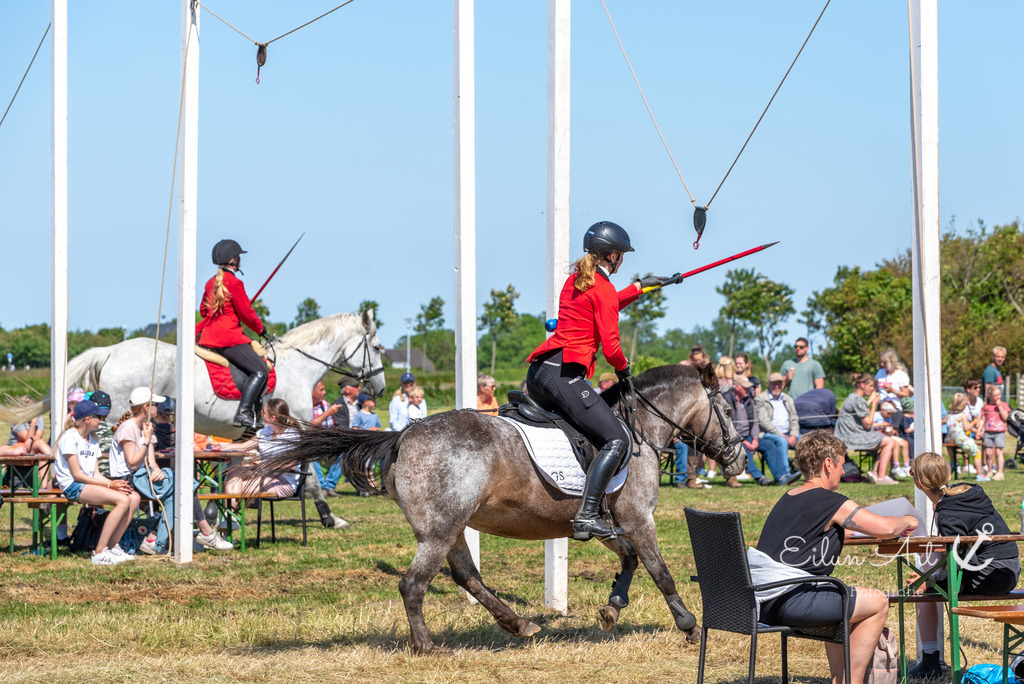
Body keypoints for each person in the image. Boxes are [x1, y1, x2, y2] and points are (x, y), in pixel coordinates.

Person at [525, 220, 677, 541]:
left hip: (540, 370)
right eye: (621, 255)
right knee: (617, 439)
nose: (622, 259)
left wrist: (640, 287)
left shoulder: (576, 281)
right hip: (563, 374)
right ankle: (587, 515)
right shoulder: (603, 289)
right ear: (612, 257)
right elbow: (611, 346)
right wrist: (624, 370)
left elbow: (606, 303)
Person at [754, 430, 918, 684]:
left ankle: (839, 679)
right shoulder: (830, 501)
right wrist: (906, 520)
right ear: (828, 464)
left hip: (766, 601)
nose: (843, 471)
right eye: (842, 464)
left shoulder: (789, 497)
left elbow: (815, 534)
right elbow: (884, 528)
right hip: (794, 600)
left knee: (848, 599)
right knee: (877, 601)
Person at [907, 451, 1021, 678]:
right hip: (1009, 569)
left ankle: (930, 661)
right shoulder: (969, 492)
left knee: (924, 589)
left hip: (991, 575)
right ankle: (930, 660)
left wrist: (928, 583)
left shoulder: (948, 514)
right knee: (928, 575)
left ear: (917, 481)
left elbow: (960, 563)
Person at [110, 388, 234, 554]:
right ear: (146, 407)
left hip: (142, 476)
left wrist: (156, 470)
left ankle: (153, 538)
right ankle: (204, 532)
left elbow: (152, 462)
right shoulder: (128, 428)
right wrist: (146, 441)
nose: (158, 408)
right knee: (182, 484)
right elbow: (132, 463)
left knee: (182, 485)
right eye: (155, 404)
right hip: (127, 479)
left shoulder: (147, 427)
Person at [53, 400, 141, 565]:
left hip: (87, 485)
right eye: (98, 417)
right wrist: (110, 485)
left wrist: (114, 484)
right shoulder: (70, 437)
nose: (101, 420)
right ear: (87, 419)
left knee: (134, 497)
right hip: (72, 487)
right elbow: (77, 475)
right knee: (122, 500)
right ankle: (99, 552)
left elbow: (95, 474)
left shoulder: (92, 439)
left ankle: (113, 546)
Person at [198, 239, 268, 428]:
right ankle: (244, 412)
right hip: (228, 338)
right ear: (234, 259)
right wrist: (261, 330)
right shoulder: (235, 282)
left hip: (208, 337)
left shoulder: (210, 282)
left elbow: (204, 311)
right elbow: (247, 313)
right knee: (261, 371)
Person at [219, 399, 303, 505]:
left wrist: (262, 465)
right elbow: (244, 446)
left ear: (273, 418)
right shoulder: (265, 431)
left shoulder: (291, 436)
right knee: (235, 471)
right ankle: (230, 518)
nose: (262, 414)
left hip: (283, 481)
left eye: (264, 412)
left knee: (238, 488)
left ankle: (229, 518)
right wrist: (222, 445)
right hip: (264, 474)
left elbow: (291, 465)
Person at [726, 375, 799, 487]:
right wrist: (743, 441)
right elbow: (727, 425)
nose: (749, 390)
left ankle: (782, 476)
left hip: (750, 435)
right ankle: (760, 477)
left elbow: (755, 421)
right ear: (736, 387)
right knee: (742, 448)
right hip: (732, 437)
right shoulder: (726, 400)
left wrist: (755, 438)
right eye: (745, 387)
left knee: (769, 445)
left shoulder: (748, 399)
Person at [834, 373, 896, 484]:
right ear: (863, 385)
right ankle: (882, 477)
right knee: (889, 441)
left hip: (847, 435)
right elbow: (867, 424)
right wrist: (874, 405)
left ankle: (875, 473)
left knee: (884, 441)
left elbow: (862, 415)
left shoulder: (852, 397)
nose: (872, 389)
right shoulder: (857, 399)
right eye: (871, 386)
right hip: (851, 437)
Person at [947, 392, 984, 481]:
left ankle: (953, 465)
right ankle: (979, 475)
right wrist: (974, 423)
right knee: (977, 453)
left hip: (951, 440)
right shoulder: (962, 415)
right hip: (962, 440)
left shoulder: (949, 415)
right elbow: (967, 428)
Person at [872, 400, 911, 479]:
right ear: (883, 410)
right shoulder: (876, 415)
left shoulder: (888, 418)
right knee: (894, 444)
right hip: (877, 437)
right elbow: (870, 426)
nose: (889, 416)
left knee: (905, 443)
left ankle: (905, 465)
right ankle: (895, 466)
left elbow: (891, 429)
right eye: (888, 414)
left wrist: (891, 430)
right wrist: (881, 425)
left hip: (887, 436)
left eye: (891, 415)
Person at [981, 384, 1010, 481]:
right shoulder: (986, 406)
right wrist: (980, 430)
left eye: (999, 395)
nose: (998, 397)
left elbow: (1005, 417)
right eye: (995, 395)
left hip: (999, 432)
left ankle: (1000, 472)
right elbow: (983, 418)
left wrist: (999, 406)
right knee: (988, 452)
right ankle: (990, 471)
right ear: (989, 396)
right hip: (988, 432)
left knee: (998, 452)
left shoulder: (1004, 405)